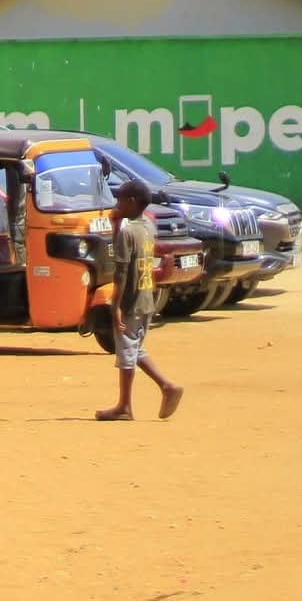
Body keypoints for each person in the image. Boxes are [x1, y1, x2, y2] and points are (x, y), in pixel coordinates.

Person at [96, 179, 184, 421]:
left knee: (126, 352)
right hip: (147, 298)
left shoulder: (128, 231)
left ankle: (126, 405)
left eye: (120, 200)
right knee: (134, 347)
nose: (117, 204)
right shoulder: (147, 226)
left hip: (130, 301)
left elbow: (121, 270)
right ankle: (166, 387)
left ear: (131, 202)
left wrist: (115, 307)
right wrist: (116, 225)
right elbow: (128, 253)